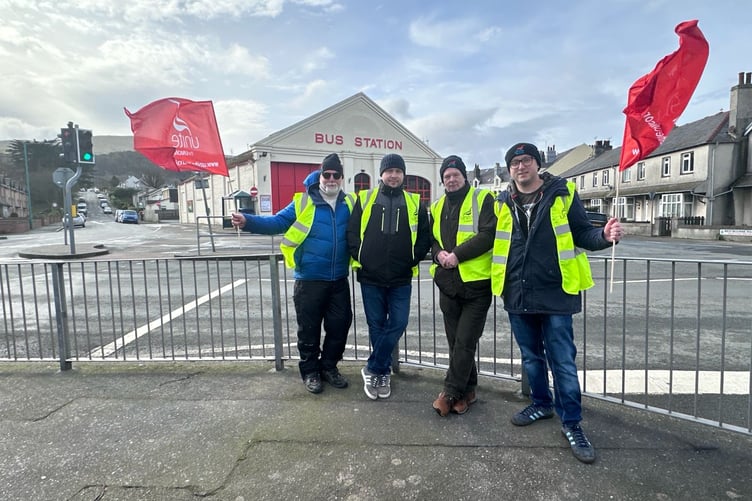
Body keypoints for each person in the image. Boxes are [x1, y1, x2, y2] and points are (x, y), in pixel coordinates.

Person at [492, 142, 623, 463]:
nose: (521, 167)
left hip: (557, 293)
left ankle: (573, 423)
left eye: (526, 161)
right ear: (509, 170)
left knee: (562, 362)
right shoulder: (501, 202)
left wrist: (604, 237)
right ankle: (541, 403)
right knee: (531, 358)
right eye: (515, 163)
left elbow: (582, 234)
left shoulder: (562, 193)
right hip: (517, 293)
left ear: (537, 164)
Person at [232, 153, 356, 394]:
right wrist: (247, 221)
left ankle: (329, 367)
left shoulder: (349, 203)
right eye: (327, 174)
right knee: (308, 330)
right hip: (308, 280)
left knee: (340, 327)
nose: (331, 179)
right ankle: (310, 372)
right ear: (321, 176)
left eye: (336, 175)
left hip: (339, 279)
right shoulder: (302, 201)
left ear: (342, 178)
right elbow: (276, 223)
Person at [347, 153, 430, 400]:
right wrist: (362, 258)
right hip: (370, 276)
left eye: (398, 171)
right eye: (389, 171)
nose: (393, 175)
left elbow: (424, 237)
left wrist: (411, 258)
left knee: (398, 323)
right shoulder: (365, 198)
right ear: (382, 174)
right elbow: (352, 233)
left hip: (401, 277)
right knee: (376, 325)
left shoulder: (415, 202)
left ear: (403, 175)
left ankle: (372, 366)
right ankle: (381, 373)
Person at [429, 155, 496, 416]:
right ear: (442, 180)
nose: (451, 179)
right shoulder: (436, 206)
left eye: (456, 174)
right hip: (448, 284)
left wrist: (457, 254)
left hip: (476, 286)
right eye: (447, 176)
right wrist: (439, 255)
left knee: (465, 341)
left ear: (464, 177)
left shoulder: (482, 199)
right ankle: (468, 391)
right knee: (456, 342)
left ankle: (449, 392)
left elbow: (488, 234)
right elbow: (432, 241)